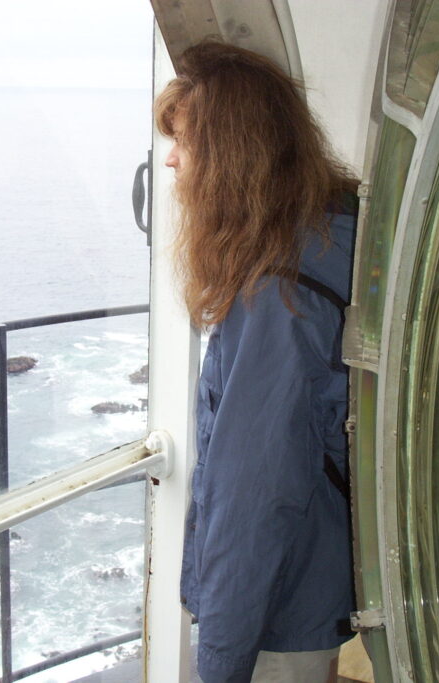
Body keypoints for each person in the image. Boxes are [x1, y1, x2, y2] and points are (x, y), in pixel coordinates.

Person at [154, 41, 359, 683]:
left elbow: (253, 498)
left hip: (279, 610)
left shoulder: (276, 298)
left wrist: (220, 660)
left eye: (184, 142)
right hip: (319, 584)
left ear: (227, 160)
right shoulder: (331, 234)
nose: (171, 158)